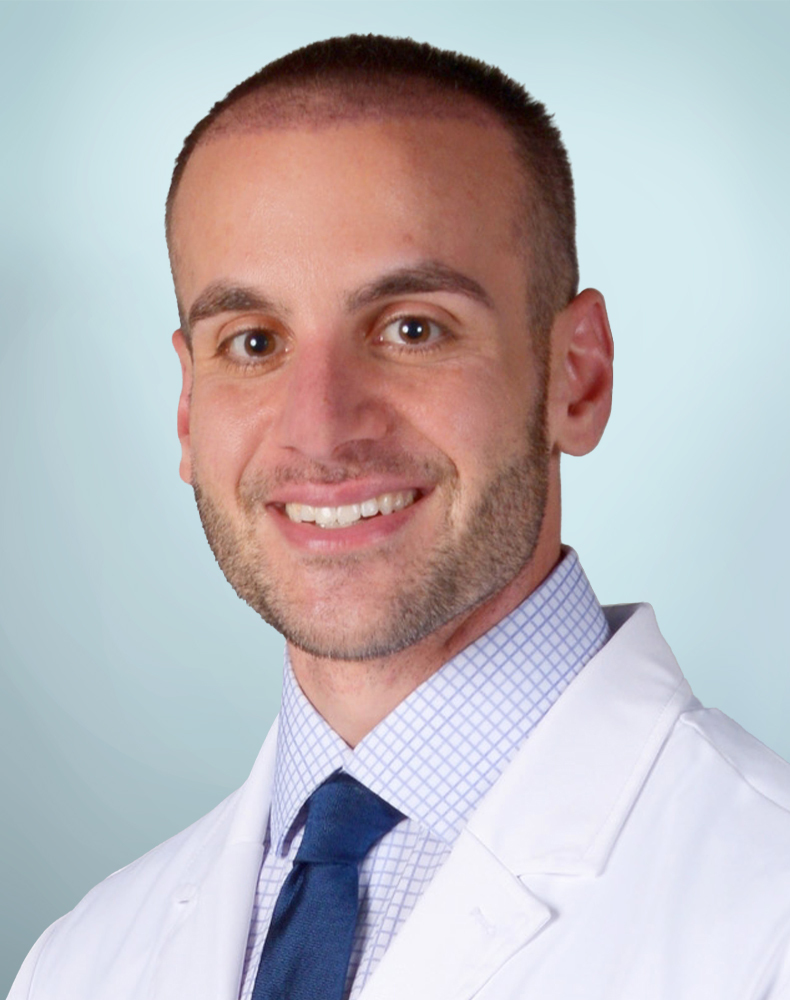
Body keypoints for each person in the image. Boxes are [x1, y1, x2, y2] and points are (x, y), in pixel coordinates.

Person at [9, 33, 790, 1000]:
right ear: (186, 408)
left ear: (577, 378)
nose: (320, 428)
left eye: (412, 328)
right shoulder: (78, 964)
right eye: (252, 343)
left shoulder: (767, 915)